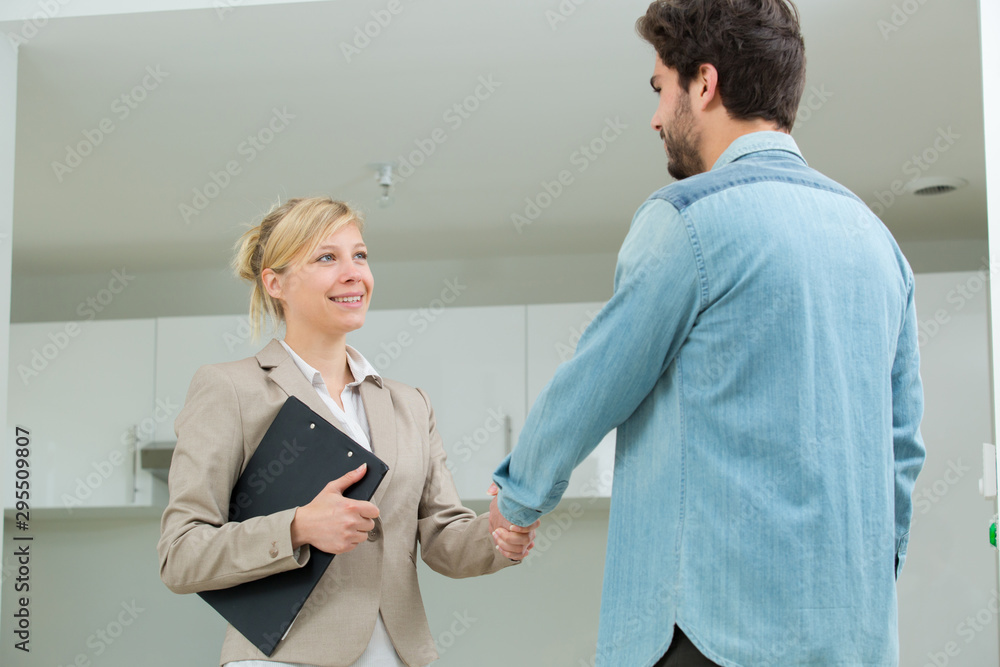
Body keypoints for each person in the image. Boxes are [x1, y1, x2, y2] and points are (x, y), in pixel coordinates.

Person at [489, 1, 925, 666]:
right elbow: (902, 447)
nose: (656, 117)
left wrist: (519, 495)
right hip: (853, 638)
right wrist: (866, 583)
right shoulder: (877, 242)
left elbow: (596, 381)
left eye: (661, 88)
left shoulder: (688, 221)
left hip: (710, 632)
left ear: (705, 82)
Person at [157, 197, 537, 667]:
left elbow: (442, 538)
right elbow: (180, 554)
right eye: (326, 258)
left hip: (398, 657)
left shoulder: (410, 405)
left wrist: (498, 533)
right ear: (275, 283)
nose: (353, 272)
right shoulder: (231, 389)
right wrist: (297, 528)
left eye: (359, 255)